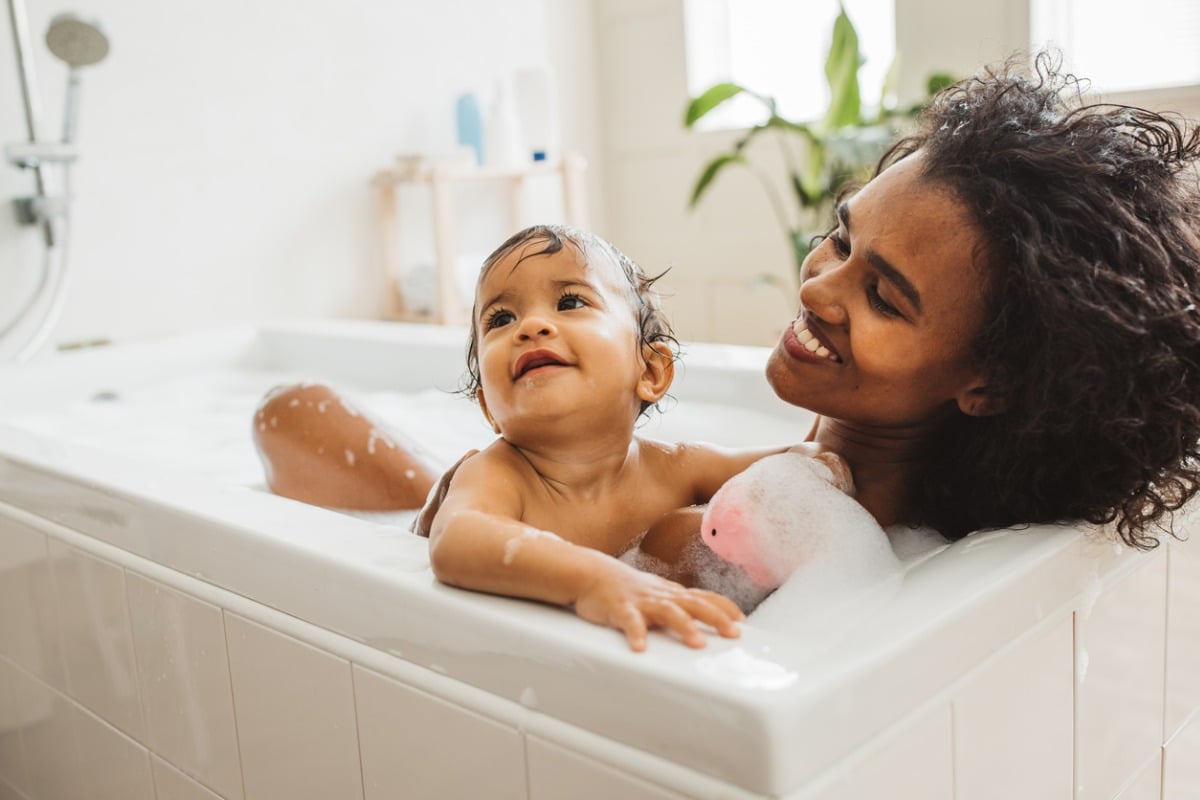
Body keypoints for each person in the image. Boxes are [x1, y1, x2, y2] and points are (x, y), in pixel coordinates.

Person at [256, 53, 1200, 641]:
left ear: (986, 383)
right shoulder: (797, 484)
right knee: (293, 409)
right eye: (839, 234)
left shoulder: (777, 528)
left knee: (293, 413)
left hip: (498, 534)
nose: (817, 283)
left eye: (881, 296)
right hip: (496, 496)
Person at [256, 224, 821, 651]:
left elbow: (799, 467)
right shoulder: (499, 475)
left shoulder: (678, 467)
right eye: (499, 320)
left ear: (650, 371)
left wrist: (825, 432)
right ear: (488, 407)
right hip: (407, 522)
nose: (530, 325)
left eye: (571, 302)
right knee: (292, 409)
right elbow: (457, 542)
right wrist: (592, 580)